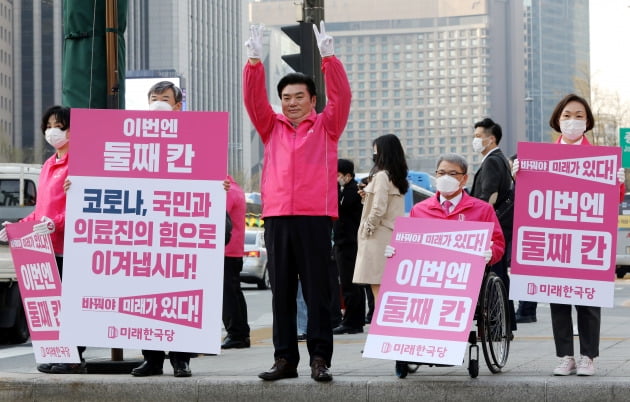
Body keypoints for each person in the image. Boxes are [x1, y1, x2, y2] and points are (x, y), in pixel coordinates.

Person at [243, 22, 351, 382]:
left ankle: (319, 358)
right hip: (277, 218)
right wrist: (254, 62)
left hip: (315, 218)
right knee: (282, 294)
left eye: (299, 97)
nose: (292, 103)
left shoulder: (326, 127)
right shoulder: (270, 127)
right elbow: (253, 100)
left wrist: (329, 59)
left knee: (318, 292)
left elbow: (343, 98)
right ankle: (285, 360)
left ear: (312, 100)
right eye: (286, 98)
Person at [513, 93, 625, 376]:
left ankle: (588, 356)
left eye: (579, 116)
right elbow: (528, 201)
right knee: (558, 298)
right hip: (555, 240)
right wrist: (520, 178)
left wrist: (617, 184)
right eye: (567, 115)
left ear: (587, 122)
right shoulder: (541, 159)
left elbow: (610, 203)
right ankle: (565, 355)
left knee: (588, 299)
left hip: (586, 239)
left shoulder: (600, 159)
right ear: (557, 120)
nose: (572, 121)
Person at [0, 106, 87, 374]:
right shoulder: (49, 164)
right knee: (54, 305)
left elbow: (83, 204)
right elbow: (42, 210)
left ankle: (74, 357)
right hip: (46, 247)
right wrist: (19, 227)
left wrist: (57, 223)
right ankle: (59, 353)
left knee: (71, 305)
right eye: (49, 125)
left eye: (59, 125)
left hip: (72, 246)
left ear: (73, 130)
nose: (53, 131)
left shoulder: (80, 161)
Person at [131, 81, 192, 378]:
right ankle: (152, 358)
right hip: (145, 229)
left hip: (178, 229)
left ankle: (181, 359)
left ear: (177, 106)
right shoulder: (133, 139)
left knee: (177, 295)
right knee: (145, 295)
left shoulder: (193, 136)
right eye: (153, 99)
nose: (158, 103)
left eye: (164, 99)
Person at [469, 118, 517, 332]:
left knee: (494, 275)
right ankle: (503, 324)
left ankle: (498, 324)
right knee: (498, 276)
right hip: (499, 227)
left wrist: (477, 228)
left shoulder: (492, 161)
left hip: (490, 230)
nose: (475, 141)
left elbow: (488, 197)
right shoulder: (500, 160)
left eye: (479, 136)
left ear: (491, 138)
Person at [353, 134, 409, 302]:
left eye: (376, 150)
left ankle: (382, 323)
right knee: (385, 283)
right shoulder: (395, 176)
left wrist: (367, 227)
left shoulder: (382, 176)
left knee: (377, 283)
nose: (374, 154)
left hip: (377, 235)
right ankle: (386, 322)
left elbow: (378, 208)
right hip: (389, 233)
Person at [332, 159, 365, 334]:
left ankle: (352, 321)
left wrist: (335, 188)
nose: (335, 179)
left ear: (347, 175)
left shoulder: (352, 191)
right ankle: (354, 320)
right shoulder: (347, 190)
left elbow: (338, 206)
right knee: (350, 284)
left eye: (337, 175)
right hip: (343, 242)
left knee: (350, 284)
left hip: (349, 244)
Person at [221, 175, 251, 349]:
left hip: (226, 249)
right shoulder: (235, 188)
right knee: (234, 292)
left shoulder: (227, 191)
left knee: (228, 294)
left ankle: (236, 333)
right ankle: (240, 333)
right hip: (233, 250)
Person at [510, 153, 538, 324]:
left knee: (526, 273)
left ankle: (526, 310)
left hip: (526, 236)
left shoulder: (524, 185)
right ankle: (526, 309)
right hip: (527, 235)